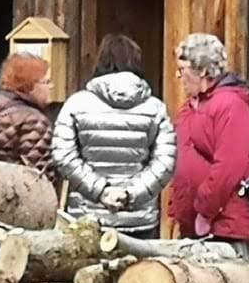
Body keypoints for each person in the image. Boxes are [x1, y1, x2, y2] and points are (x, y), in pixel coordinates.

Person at [52, 34, 177, 236]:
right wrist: (130, 194)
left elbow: (63, 155)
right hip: (138, 219)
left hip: (86, 217)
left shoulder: (76, 104)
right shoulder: (156, 108)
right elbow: (165, 162)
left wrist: (101, 192)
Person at [168, 33, 249, 252]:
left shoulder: (231, 105)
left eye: (182, 70)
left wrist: (203, 209)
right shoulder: (190, 107)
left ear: (202, 71)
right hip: (197, 226)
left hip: (224, 228)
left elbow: (229, 168)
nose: (178, 76)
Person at [0, 52, 56, 175]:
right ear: (29, 85)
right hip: (12, 192)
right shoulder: (35, 122)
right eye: (47, 81)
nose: (52, 86)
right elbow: (39, 178)